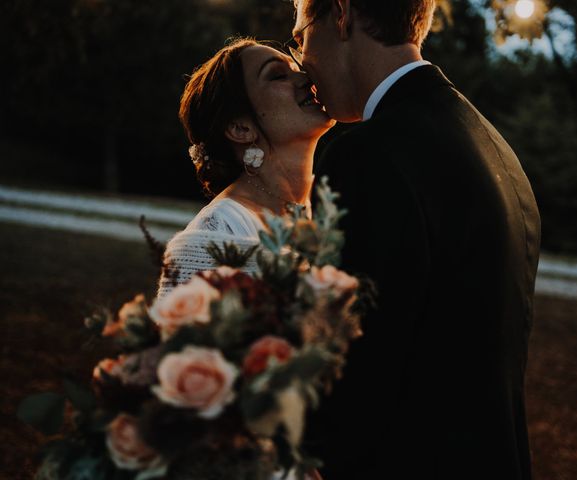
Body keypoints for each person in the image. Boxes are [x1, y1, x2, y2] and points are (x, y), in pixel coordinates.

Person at [289, 0, 542, 479]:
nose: (301, 63)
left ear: (341, 14)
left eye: (300, 37)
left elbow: (357, 371)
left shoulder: (369, 155)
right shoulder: (496, 149)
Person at [155, 38, 335, 300]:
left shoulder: (330, 203)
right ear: (241, 129)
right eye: (277, 76)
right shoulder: (213, 237)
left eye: (297, 68)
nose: (306, 78)